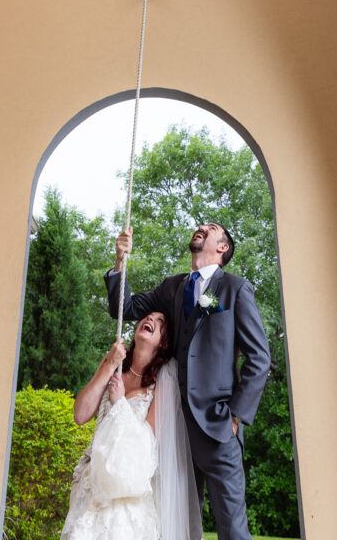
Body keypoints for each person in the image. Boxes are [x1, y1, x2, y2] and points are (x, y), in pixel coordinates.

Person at [106, 223, 271, 540]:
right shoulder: (173, 288)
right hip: (176, 428)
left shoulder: (235, 289)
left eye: (210, 229)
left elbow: (259, 358)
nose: (200, 228)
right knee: (179, 523)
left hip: (219, 426)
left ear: (222, 248)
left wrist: (235, 416)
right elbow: (123, 308)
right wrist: (119, 262)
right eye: (199, 226)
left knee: (232, 529)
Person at [62, 310, 201, 540]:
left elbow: (149, 444)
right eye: (148, 317)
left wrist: (120, 405)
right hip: (91, 482)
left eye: (159, 322)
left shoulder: (161, 384)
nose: (150, 320)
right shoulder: (114, 364)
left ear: (163, 341)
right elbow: (80, 414)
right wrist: (109, 365)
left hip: (126, 495)